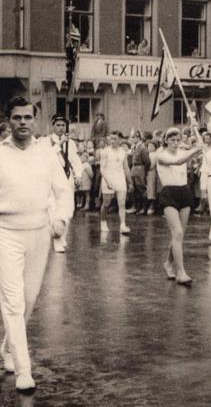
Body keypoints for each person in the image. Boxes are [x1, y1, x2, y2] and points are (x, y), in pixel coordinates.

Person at [0, 97, 73, 391]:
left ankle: (7, 348)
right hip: (6, 232)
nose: (22, 123)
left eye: (28, 118)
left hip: (40, 232)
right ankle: (23, 371)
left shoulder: (46, 154)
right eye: (17, 117)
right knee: (13, 300)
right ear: (8, 120)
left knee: (28, 299)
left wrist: (61, 219)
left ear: (35, 120)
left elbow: (63, 191)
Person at [156, 126, 204, 285]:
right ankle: (181, 272)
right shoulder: (160, 155)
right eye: (172, 140)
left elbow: (194, 155)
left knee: (179, 234)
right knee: (177, 232)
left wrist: (199, 142)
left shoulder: (184, 152)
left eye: (178, 140)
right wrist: (196, 149)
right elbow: (177, 161)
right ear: (166, 140)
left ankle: (168, 263)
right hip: (169, 193)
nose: (175, 143)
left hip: (184, 192)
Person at [49, 115, 81, 253]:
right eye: (58, 125)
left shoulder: (71, 143)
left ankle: (62, 237)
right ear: (53, 126)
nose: (61, 128)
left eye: (63, 125)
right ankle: (57, 240)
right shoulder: (47, 142)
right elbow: (47, 157)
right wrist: (59, 144)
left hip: (67, 179)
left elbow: (75, 160)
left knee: (68, 210)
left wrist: (78, 175)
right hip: (53, 180)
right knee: (55, 210)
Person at [99, 131, 132, 234]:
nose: (112, 141)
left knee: (122, 204)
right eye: (111, 139)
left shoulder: (123, 152)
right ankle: (103, 222)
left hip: (120, 179)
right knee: (106, 203)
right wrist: (107, 180)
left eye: (115, 139)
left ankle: (123, 225)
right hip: (107, 178)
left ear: (120, 140)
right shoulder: (105, 151)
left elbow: (126, 168)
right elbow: (102, 169)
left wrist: (130, 182)